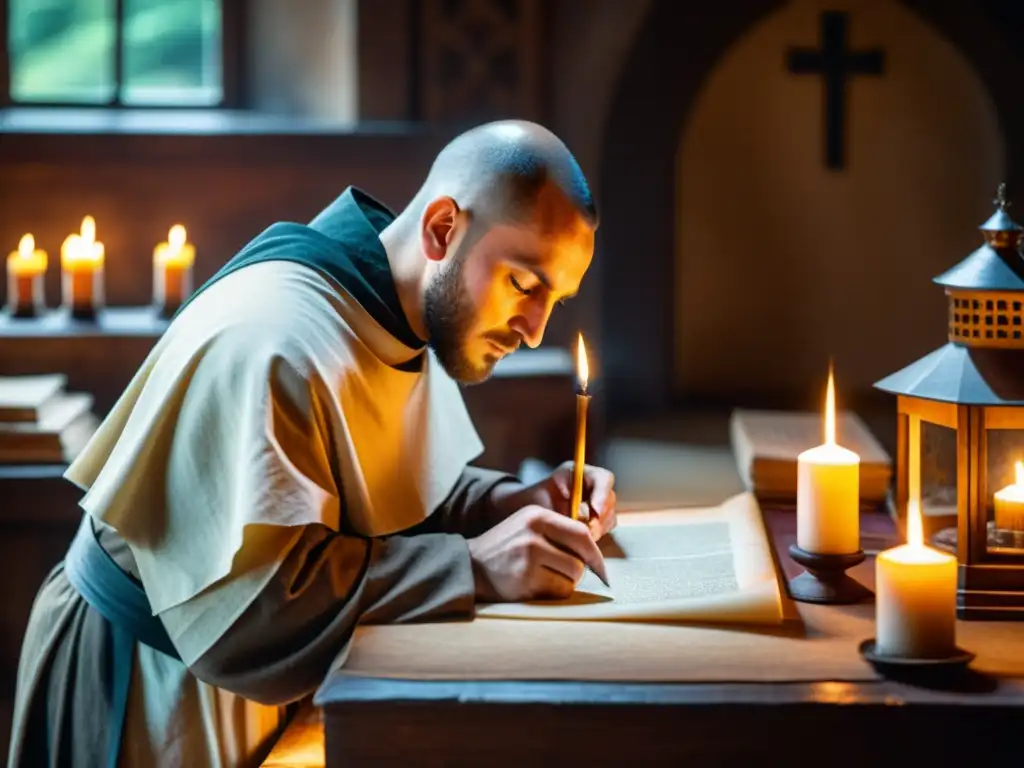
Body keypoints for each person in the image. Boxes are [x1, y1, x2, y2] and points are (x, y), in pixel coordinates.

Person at [7, 119, 617, 768]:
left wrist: (505, 501)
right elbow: (254, 608)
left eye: (556, 299)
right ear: (443, 229)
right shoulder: (275, 338)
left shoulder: (392, 313)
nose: (533, 328)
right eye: (526, 285)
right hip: (151, 684)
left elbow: (371, 481)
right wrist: (472, 566)